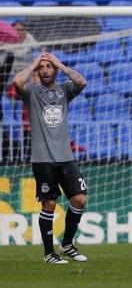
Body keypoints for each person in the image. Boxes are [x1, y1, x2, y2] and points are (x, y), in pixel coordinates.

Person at [12, 52, 88, 264]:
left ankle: (67, 244)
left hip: (66, 157)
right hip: (43, 159)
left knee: (80, 199)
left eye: (48, 67)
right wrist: (34, 63)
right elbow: (17, 82)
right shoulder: (31, 93)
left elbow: (82, 81)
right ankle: (49, 254)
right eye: (42, 68)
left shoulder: (64, 91)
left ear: (54, 69)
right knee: (49, 205)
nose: (45, 70)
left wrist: (61, 65)